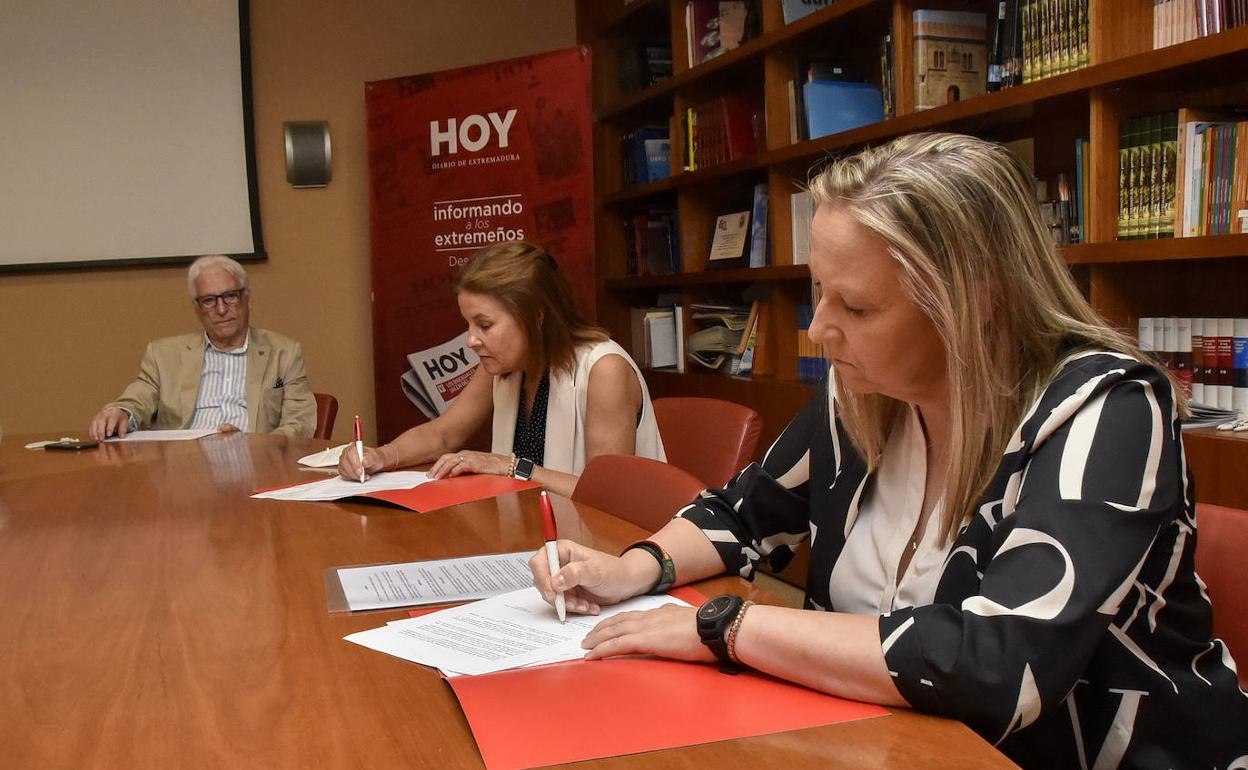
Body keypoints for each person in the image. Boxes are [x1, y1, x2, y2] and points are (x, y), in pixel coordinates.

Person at [529, 133, 1248, 768]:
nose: (819, 332)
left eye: (860, 307)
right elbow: (742, 514)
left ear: (976, 300)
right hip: (890, 743)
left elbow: (1001, 667)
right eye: (819, 293)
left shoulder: (1108, 409)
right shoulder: (864, 392)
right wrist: (630, 568)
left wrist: (726, 626)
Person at [340, 240, 664, 498]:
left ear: (536, 316)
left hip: (615, 553)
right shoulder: (503, 364)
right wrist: (381, 456)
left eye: (485, 324)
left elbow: (607, 496)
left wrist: (511, 467)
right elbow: (444, 433)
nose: (471, 340)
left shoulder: (604, 370)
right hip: (538, 538)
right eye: (468, 324)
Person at [88, 255, 316, 439]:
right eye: (209, 300)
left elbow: (299, 423)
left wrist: (253, 446)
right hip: (183, 468)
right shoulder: (163, 355)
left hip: (255, 465)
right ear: (197, 309)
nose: (221, 309)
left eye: (230, 296)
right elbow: (139, 398)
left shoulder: (284, 352)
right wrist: (121, 412)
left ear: (248, 299)